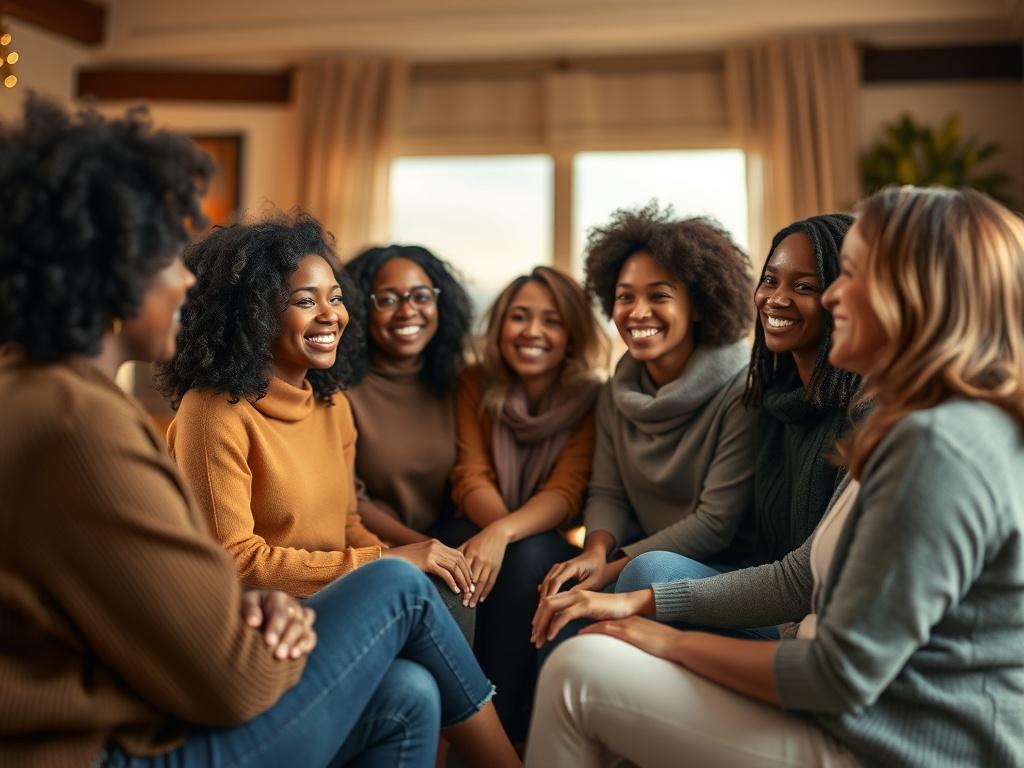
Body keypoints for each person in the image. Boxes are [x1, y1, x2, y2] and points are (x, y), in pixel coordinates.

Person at [0, 96, 518, 768]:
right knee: (399, 589)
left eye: (335, 298)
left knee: (411, 692)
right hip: (105, 749)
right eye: (167, 255)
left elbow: (161, 601)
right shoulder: (82, 423)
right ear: (110, 267)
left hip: (156, 700)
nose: (187, 279)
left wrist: (255, 615)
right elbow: (232, 672)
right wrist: (293, 618)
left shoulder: (50, 397)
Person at [526, 186, 1024, 767]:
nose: (835, 294)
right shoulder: (914, 424)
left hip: (894, 743)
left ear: (921, 293)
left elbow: (838, 677)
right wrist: (638, 601)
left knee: (577, 673)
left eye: (851, 276)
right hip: (856, 716)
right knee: (593, 654)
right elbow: (798, 577)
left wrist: (669, 640)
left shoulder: (939, 447)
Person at [161, 216, 476, 601]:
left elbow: (347, 525)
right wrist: (389, 563)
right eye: (306, 301)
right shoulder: (212, 413)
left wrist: (401, 559)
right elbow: (235, 561)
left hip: (339, 600)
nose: (330, 315)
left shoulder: (332, 404)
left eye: (336, 298)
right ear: (254, 315)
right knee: (420, 600)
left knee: (437, 610)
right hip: (267, 620)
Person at [609, 214, 860, 600]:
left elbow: (804, 578)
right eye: (770, 280)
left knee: (646, 572)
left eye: (805, 286)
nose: (775, 298)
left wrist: (649, 607)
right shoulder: (774, 399)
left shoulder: (866, 415)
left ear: (846, 298)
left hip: (810, 616)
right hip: (761, 588)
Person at [536, 204, 757, 610]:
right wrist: (595, 553)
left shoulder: (742, 390)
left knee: (646, 571)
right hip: (638, 558)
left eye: (658, 296)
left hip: (729, 573)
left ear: (699, 305)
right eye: (625, 297)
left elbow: (715, 524)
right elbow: (608, 492)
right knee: (563, 586)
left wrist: (614, 566)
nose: (637, 313)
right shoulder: (616, 392)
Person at [447, 266, 606, 742]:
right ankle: (472, 724)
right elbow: (469, 474)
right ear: (501, 326)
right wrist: (496, 534)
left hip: (535, 539)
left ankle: (507, 729)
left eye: (551, 320)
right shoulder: (474, 381)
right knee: (458, 551)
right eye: (520, 316)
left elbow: (566, 491)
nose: (533, 331)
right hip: (473, 523)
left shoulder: (594, 397)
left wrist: (504, 534)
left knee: (531, 556)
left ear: (572, 333)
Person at [344, 245, 473, 547]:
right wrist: (427, 549)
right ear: (361, 308)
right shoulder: (340, 391)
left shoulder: (457, 383)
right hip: (375, 553)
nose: (407, 312)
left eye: (421, 297)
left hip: (442, 542)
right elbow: (350, 501)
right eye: (387, 300)